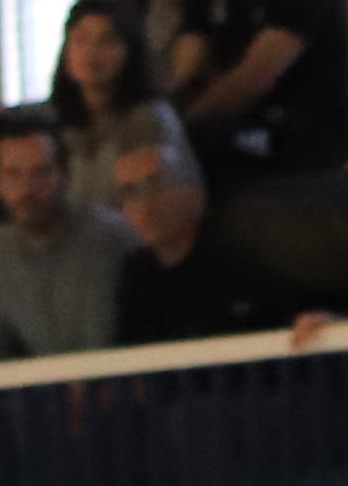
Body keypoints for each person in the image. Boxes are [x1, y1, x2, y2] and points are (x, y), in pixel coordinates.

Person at [0, 114, 132, 358]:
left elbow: (103, 347)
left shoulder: (109, 237)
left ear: (66, 177)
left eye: (40, 173)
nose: (26, 189)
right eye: (13, 174)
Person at [112, 139, 303, 338]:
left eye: (157, 186)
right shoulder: (136, 275)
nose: (145, 206)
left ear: (196, 193)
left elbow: (286, 329)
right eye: (130, 192)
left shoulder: (241, 261)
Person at [167, 0, 348, 181]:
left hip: (298, 136)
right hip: (229, 125)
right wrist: (168, 109)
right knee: (172, 149)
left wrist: (175, 126)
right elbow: (194, 34)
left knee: (183, 150)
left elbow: (254, 78)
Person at [54, 0, 191, 189]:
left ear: (129, 52)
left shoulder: (151, 119)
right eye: (82, 39)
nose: (92, 52)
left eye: (106, 40)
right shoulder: (53, 120)